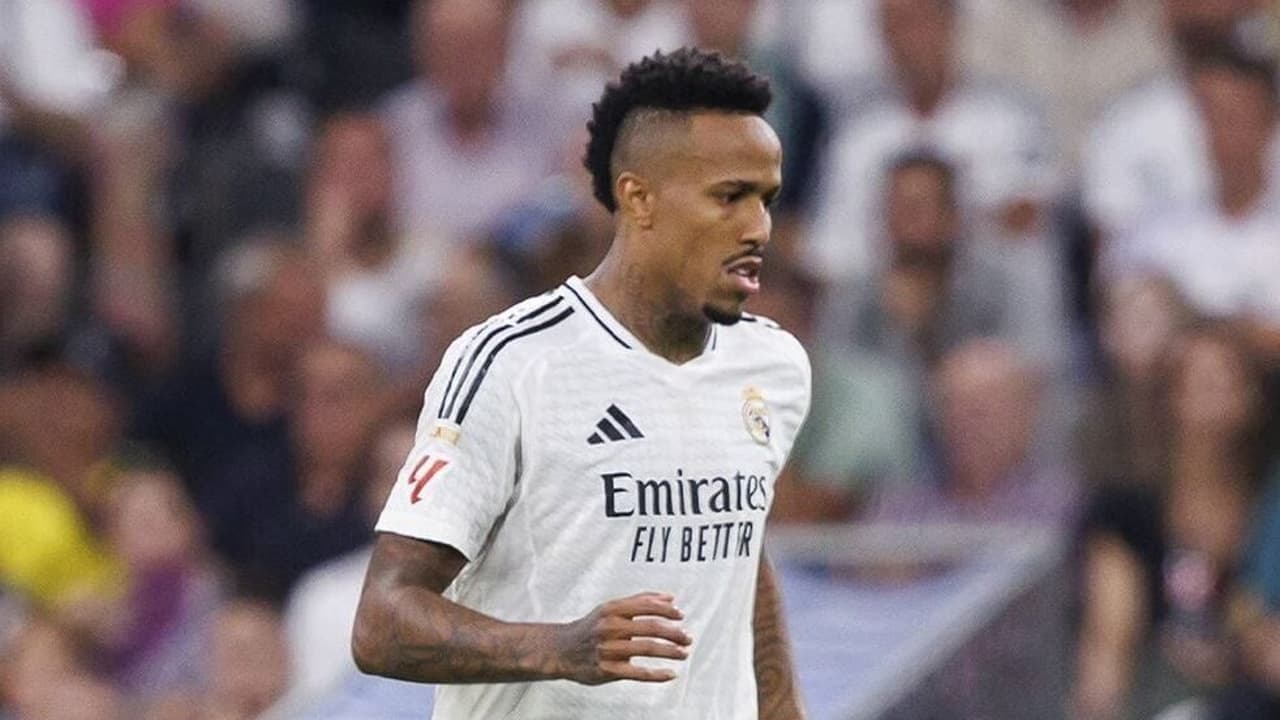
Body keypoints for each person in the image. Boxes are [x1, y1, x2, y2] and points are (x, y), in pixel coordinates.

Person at [352, 48, 809, 719]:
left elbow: (738, 556)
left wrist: (782, 708)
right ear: (639, 198)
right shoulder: (512, 364)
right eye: (729, 197)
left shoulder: (773, 365)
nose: (758, 227)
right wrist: (557, 648)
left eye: (766, 200)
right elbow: (382, 622)